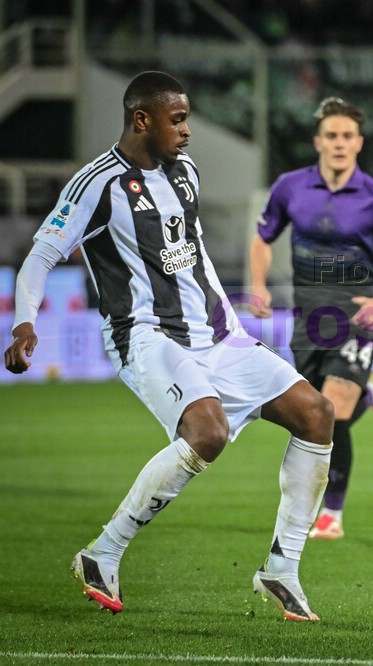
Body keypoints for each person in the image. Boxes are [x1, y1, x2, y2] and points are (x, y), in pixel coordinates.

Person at [3, 71, 333, 621]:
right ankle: (103, 551)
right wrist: (23, 324)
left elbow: (189, 252)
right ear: (142, 120)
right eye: (177, 119)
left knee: (316, 414)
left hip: (219, 334)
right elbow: (41, 256)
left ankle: (282, 567)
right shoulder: (96, 185)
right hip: (146, 334)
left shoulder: (186, 172)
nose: (186, 130)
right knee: (208, 432)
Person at [249, 96, 373, 540]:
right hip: (308, 316)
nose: (340, 143)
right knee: (315, 415)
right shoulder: (290, 187)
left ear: (359, 143)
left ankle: (332, 513)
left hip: (356, 316)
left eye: (348, 136)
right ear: (318, 142)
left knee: (336, 412)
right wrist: (258, 284)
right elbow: (262, 238)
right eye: (332, 135)